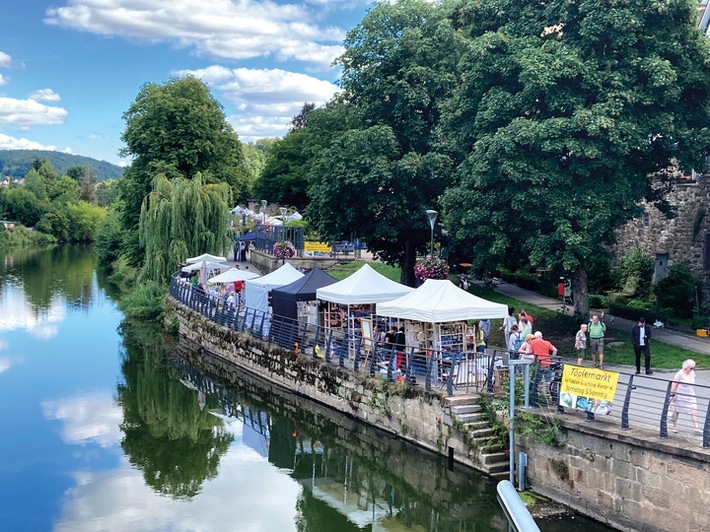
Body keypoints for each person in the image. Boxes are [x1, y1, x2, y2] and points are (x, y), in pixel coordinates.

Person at [669, 359, 701, 435]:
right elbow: (674, 384)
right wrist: (673, 394)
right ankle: (674, 426)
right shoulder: (679, 374)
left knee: (694, 409)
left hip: (690, 393)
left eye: (693, 368)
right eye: (691, 368)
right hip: (680, 394)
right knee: (677, 410)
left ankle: (696, 428)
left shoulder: (692, 373)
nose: (693, 369)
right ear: (686, 367)